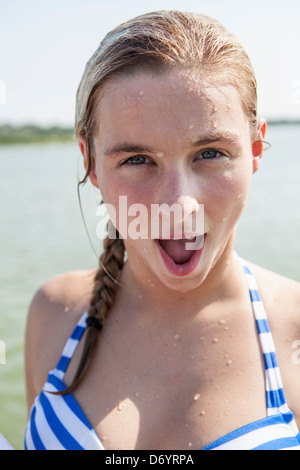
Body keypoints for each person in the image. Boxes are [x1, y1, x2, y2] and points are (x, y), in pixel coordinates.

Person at [24, 10, 300, 450]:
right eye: (136, 160)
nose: (178, 203)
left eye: (210, 153)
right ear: (90, 161)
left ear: (254, 149)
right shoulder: (53, 314)